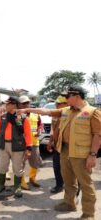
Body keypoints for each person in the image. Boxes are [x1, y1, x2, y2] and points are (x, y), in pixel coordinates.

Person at [17, 85, 101, 220]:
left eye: (67, 96)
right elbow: (45, 111)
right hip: (65, 150)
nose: (65, 98)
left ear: (77, 96)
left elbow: (98, 135)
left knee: (85, 184)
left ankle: (88, 214)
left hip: (82, 154)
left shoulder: (92, 112)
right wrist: (27, 109)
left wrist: (93, 155)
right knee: (68, 181)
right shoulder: (66, 110)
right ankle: (69, 204)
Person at [0, 96, 33, 198]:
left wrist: (29, 148)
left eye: (7, 104)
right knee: (2, 166)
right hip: (3, 145)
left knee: (17, 168)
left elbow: (27, 133)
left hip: (17, 146)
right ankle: (1, 185)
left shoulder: (23, 117)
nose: (5, 106)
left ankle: (17, 187)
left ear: (13, 105)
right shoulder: (3, 116)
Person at [18, 95, 43, 190]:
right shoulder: (18, 115)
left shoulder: (35, 114)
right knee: (21, 163)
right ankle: (22, 181)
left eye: (27, 103)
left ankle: (32, 178)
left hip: (34, 142)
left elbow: (40, 124)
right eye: (23, 103)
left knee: (35, 161)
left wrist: (40, 130)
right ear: (19, 105)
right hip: (22, 143)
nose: (26, 105)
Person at [47, 95, 68, 193]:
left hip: (67, 146)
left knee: (68, 168)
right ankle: (59, 185)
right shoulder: (55, 115)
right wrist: (50, 141)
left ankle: (72, 189)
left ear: (66, 104)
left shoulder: (70, 115)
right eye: (56, 103)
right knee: (56, 166)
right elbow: (53, 130)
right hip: (56, 145)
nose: (56, 105)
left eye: (59, 104)